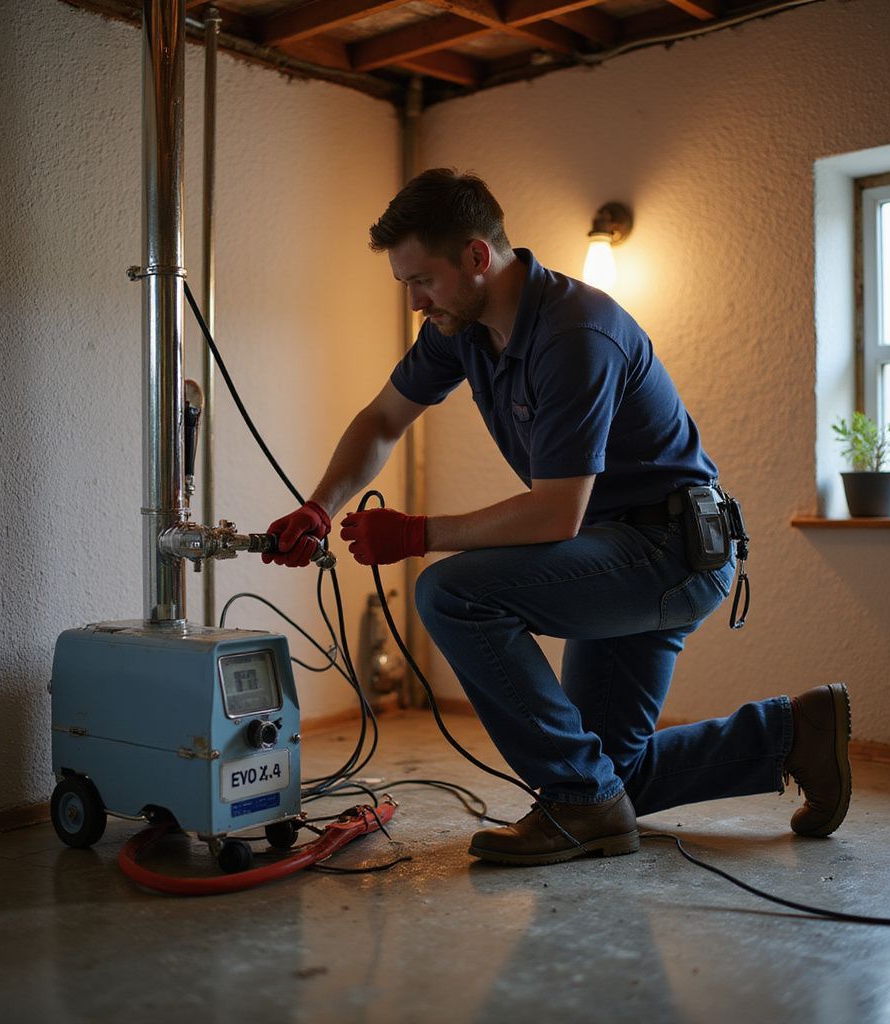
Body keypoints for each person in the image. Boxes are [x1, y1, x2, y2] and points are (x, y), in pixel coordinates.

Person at [263, 168, 852, 866]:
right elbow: (383, 420)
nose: (416, 300)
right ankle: (791, 735)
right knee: (610, 773)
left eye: (422, 281)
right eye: (406, 285)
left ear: (477, 257)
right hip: (624, 544)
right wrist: (318, 505)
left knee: (449, 591)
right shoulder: (464, 328)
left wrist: (417, 535)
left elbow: (554, 513)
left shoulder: (575, 333)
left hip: (672, 550)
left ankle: (577, 805)